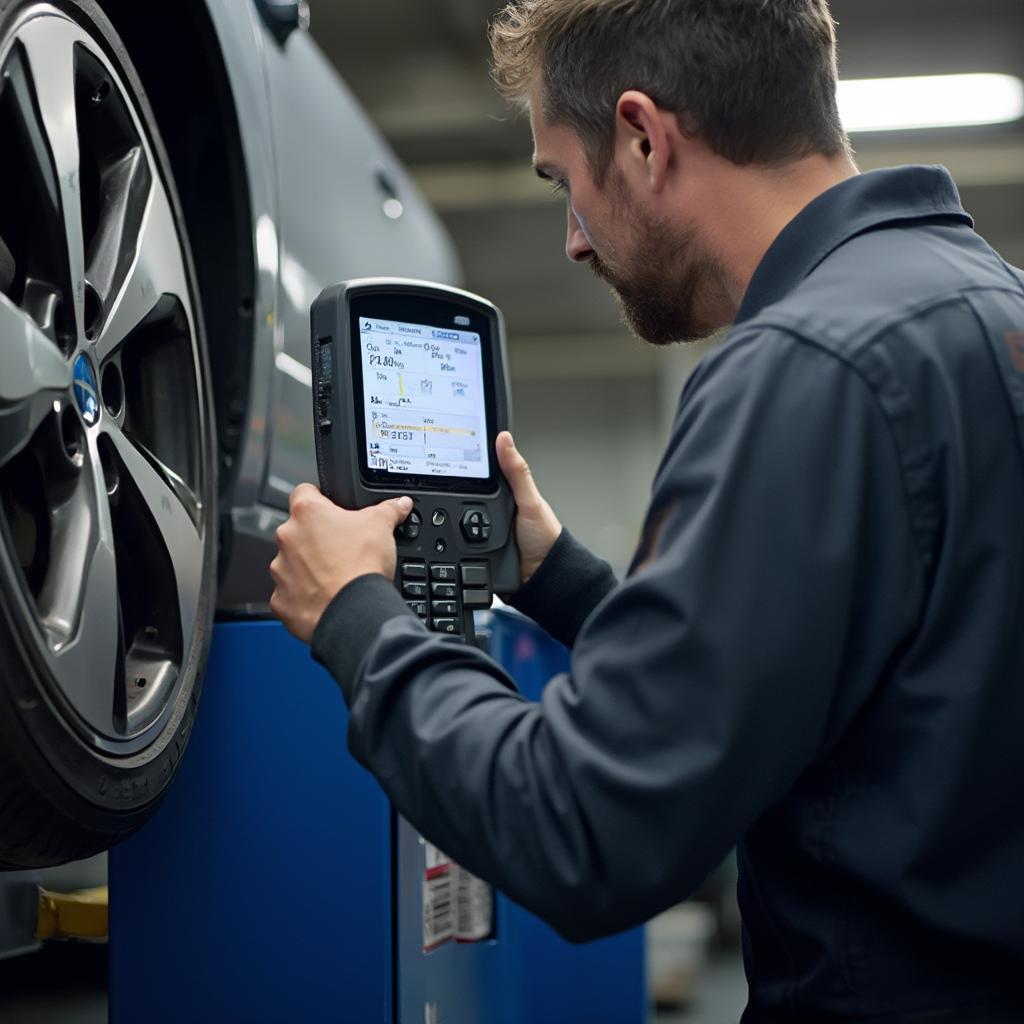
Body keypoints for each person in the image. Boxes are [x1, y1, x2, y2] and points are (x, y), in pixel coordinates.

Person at [270, 0, 1024, 1019]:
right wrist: (561, 578)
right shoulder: (989, 310)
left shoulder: (799, 369)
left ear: (641, 136)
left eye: (563, 181)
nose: (573, 239)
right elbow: (833, 673)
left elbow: (581, 827)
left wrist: (359, 611)